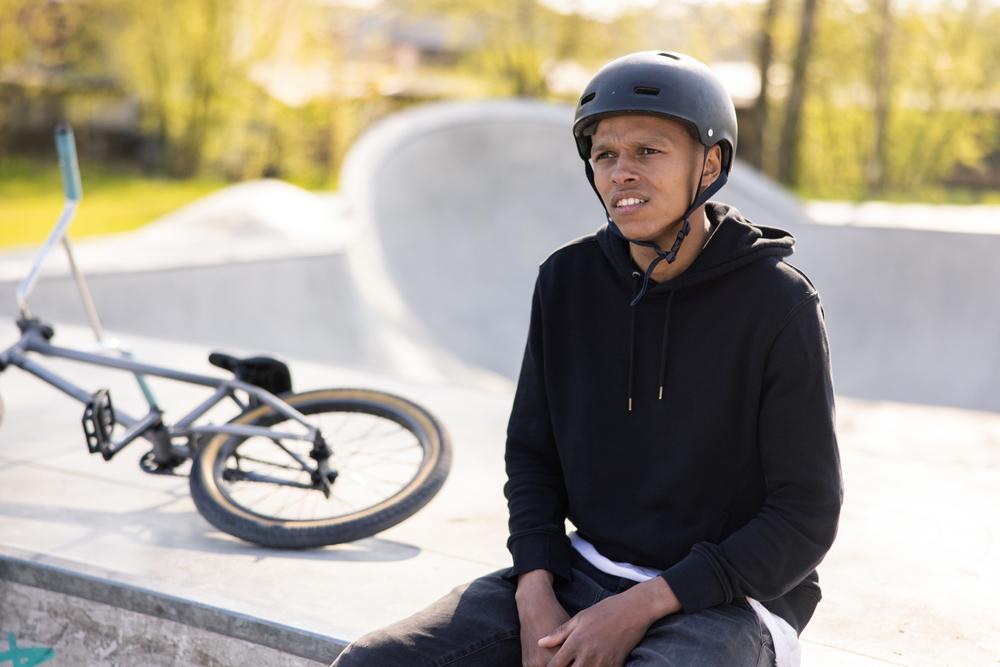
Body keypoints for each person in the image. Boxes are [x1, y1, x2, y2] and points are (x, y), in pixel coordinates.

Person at [331, 50, 843, 667]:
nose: (621, 172)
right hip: (581, 570)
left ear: (710, 164)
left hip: (730, 598)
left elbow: (804, 514)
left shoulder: (777, 302)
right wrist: (534, 585)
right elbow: (532, 454)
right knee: (373, 662)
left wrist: (645, 603)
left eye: (649, 151)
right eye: (605, 155)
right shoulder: (568, 280)